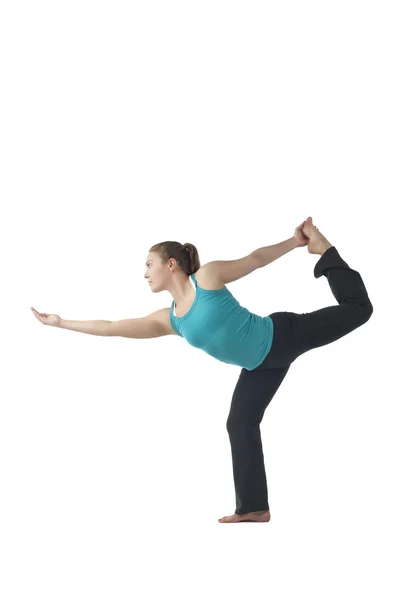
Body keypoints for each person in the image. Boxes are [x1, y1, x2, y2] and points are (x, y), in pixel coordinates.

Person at [31, 217, 373, 524]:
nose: (145, 272)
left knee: (359, 309)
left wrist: (295, 242)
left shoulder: (207, 279)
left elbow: (254, 260)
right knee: (239, 422)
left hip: (281, 336)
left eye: (149, 264)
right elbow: (113, 326)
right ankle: (254, 507)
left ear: (171, 263)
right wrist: (61, 323)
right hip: (259, 367)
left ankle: (324, 249)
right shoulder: (171, 319)